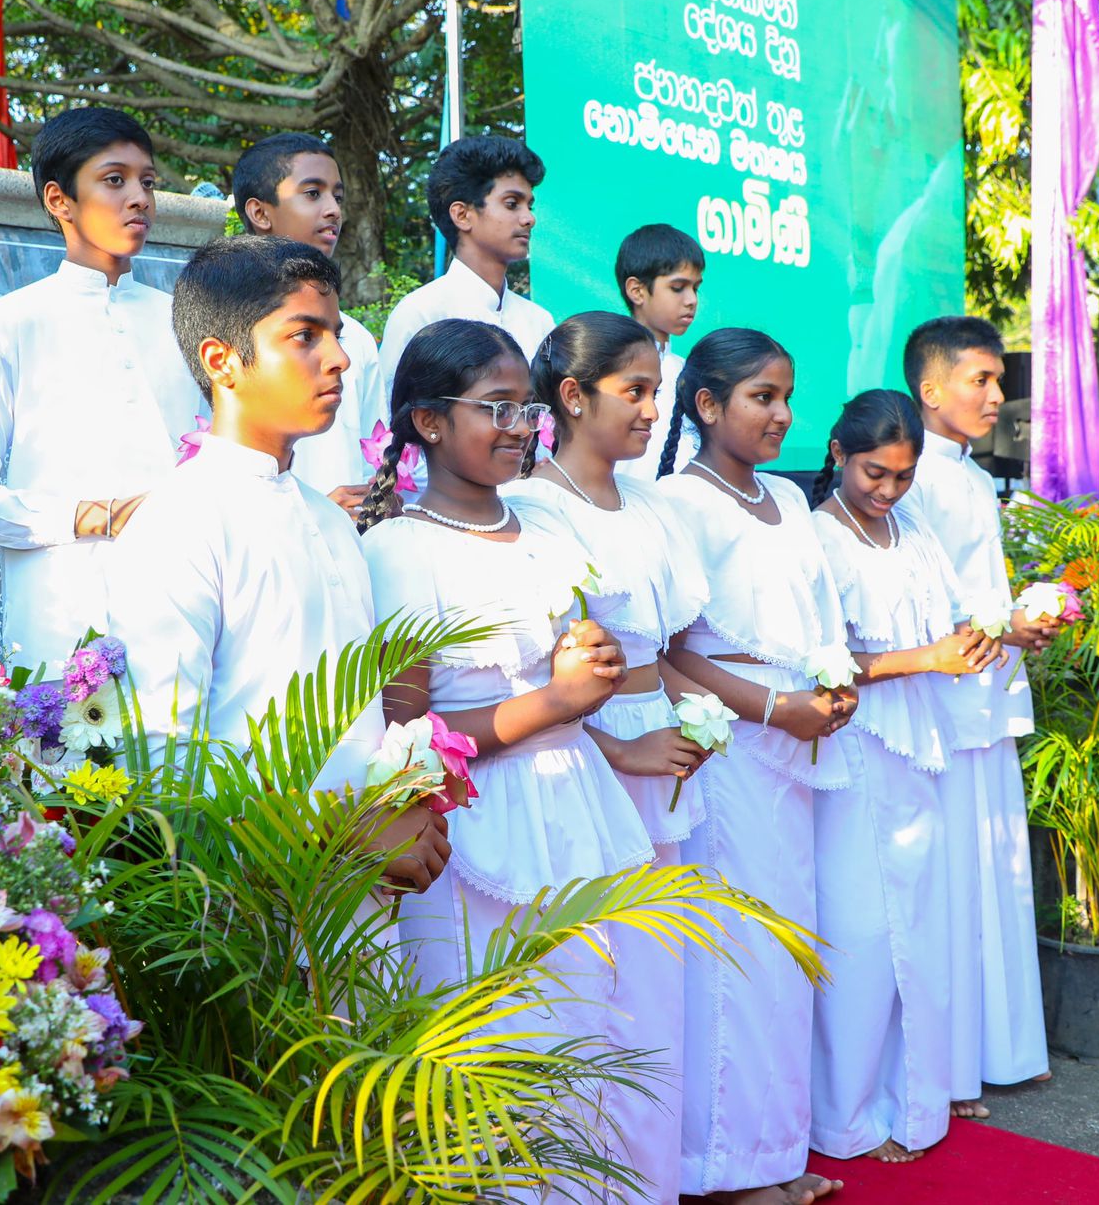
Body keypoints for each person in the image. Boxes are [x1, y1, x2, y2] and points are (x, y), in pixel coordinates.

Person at [358, 319, 653, 1203]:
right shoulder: (400, 549)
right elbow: (404, 730)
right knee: (494, 1048)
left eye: (526, 407)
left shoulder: (545, 526)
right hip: (472, 820)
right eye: (496, 408)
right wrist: (553, 703)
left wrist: (592, 669)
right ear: (428, 421)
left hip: (574, 800)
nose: (521, 426)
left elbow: (572, 662)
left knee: (583, 1033)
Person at [104, 234, 449, 891]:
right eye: (305, 336)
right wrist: (335, 829)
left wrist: (395, 806)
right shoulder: (179, 520)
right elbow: (162, 764)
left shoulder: (330, 520)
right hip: (245, 905)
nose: (340, 358)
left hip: (349, 904)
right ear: (222, 361)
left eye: (336, 334)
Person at [505, 311, 712, 1204]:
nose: (652, 410)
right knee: (595, 977)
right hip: (589, 761)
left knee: (659, 980)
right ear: (572, 396)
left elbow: (666, 649)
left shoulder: (653, 505)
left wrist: (696, 722)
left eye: (656, 392)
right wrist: (623, 749)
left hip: (663, 751)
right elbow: (530, 678)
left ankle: (654, 1183)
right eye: (634, 391)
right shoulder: (534, 509)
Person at [658, 328, 849, 1205]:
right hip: (725, 745)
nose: (782, 415)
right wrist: (773, 709)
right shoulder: (677, 503)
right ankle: (719, 1171)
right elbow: (666, 653)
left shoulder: (790, 496)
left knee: (783, 946)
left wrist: (832, 692)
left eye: (786, 397)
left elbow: (818, 618)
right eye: (761, 397)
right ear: (707, 405)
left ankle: (773, 1151)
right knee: (731, 950)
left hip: (796, 743)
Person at [808, 389, 1000, 1165]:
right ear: (837, 454)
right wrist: (928, 658)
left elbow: (954, 617)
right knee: (858, 933)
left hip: (919, 743)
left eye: (903, 476)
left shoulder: (912, 530)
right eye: (874, 474)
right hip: (852, 744)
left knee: (918, 926)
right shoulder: (816, 538)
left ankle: (912, 1097)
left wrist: (983, 639)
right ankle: (843, 1115)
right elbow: (817, 660)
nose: (887, 490)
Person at [0, 106, 203, 673]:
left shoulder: (181, 321)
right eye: (115, 180)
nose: (140, 198)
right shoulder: (15, 320)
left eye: (147, 182)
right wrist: (92, 516)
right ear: (60, 200)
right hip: (61, 620)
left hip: (184, 609)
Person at [903, 316, 1054, 1118]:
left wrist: (1021, 618)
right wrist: (1006, 624)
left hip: (987, 695)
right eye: (981, 380)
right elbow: (919, 599)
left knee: (996, 872)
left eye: (999, 381)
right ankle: (953, 1066)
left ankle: (1000, 1049)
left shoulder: (966, 471)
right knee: (958, 881)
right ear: (931, 390)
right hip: (946, 700)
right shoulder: (917, 475)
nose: (998, 396)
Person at [232, 132, 388, 515]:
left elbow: (375, 459)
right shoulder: (226, 329)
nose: (333, 210)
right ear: (260, 213)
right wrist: (316, 512)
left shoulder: (357, 339)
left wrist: (378, 503)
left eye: (338, 196)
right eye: (313, 193)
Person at [376, 136, 554, 385]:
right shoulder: (421, 314)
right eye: (512, 204)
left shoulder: (540, 321)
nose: (529, 219)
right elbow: (391, 408)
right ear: (462, 215)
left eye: (529, 206)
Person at [613, 223, 705, 480]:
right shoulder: (608, 368)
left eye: (695, 288)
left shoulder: (690, 372)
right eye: (678, 287)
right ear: (637, 290)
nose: (691, 300)